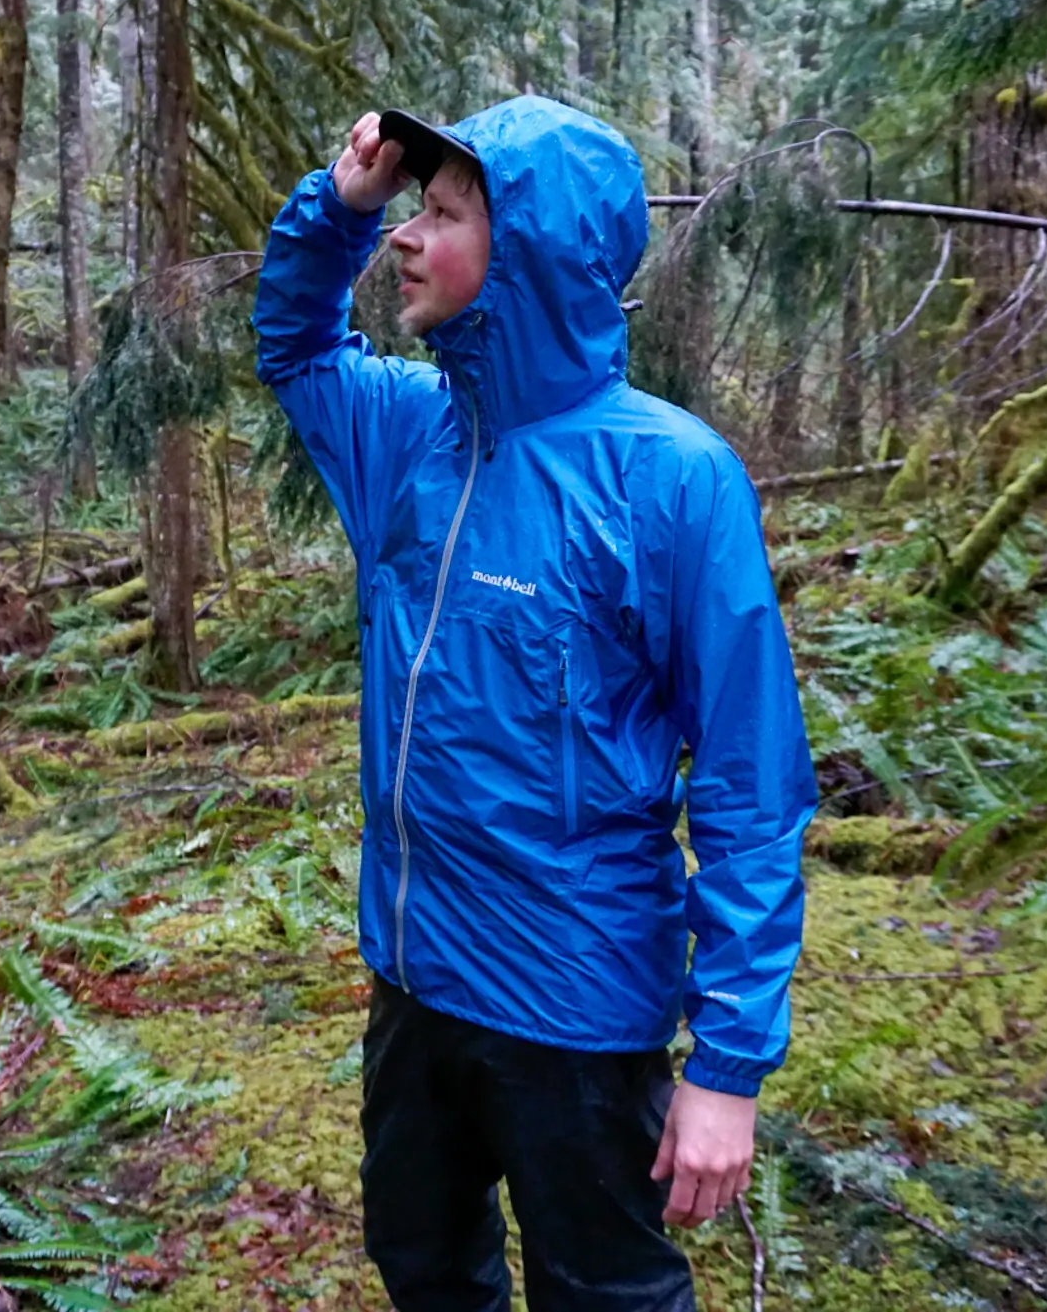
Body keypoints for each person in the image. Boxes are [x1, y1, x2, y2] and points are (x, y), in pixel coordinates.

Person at [252, 95, 816, 1311]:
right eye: (414, 210)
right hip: (412, 980)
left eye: (444, 214)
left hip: (570, 1011)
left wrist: (726, 1068)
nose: (409, 236)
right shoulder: (408, 433)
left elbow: (748, 788)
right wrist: (336, 210)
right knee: (422, 1266)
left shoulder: (668, 478)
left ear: (533, 255)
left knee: (602, 1293)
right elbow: (293, 350)